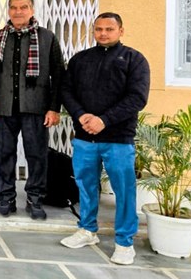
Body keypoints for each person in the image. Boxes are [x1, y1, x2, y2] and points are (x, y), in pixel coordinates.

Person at [59, 13, 150, 265]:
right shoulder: (80, 60)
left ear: (121, 30)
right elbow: (66, 90)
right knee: (86, 186)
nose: (103, 33)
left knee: (124, 190)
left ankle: (124, 242)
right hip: (84, 137)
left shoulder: (134, 60)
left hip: (118, 139)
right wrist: (81, 115)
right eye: (98, 29)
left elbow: (137, 98)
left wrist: (104, 120)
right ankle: (87, 230)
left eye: (109, 29)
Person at [0, 0, 64, 220]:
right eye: (14, 7)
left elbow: (58, 74)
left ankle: (35, 198)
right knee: (4, 155)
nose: (18, 12)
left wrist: (54, 108)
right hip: (3, 108)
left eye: (24, 7)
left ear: (32, 10)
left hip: (36, 108)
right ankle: (6, 198)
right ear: (9, 10)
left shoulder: (47, 37)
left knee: (37, 155)